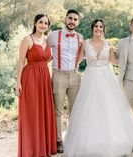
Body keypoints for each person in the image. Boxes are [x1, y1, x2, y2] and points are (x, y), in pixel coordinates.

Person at [63, 19, 133, 157]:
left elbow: (114, 61)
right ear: (92, 28)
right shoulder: (84, 44)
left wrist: (130, 59)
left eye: (101, 26)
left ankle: (113, 139)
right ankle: (88, 142)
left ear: (103, 29)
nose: (98, 28)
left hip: (107, 79)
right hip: (89, 80)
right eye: (96, 26)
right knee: (89, 109)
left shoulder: (108, 44)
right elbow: (76, 61)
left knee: (109, 108)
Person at [15, 14, 57, 157]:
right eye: (41, 22)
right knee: (32, 112)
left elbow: (47, 59)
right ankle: (31, 149)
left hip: (44, 78)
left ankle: (43, 147)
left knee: (43, 111)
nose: (43, 25)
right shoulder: (28, 39)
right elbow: (21, 62)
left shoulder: (46, 41)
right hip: (31, 78)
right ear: (35, 23)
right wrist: (18, 82)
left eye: (46, 23)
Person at [47, 9, 83, 153]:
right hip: (58, 76)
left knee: (75, 111)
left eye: (75, 19)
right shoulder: (53, 35)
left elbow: (83, 54)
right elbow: (43, 51)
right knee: (57, 111)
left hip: (75, 76)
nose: (72, 21)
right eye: (70, 18)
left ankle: (73, 138)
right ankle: (58, 140)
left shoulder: (80, 37)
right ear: (65, 19)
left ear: (78, 22)